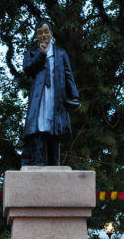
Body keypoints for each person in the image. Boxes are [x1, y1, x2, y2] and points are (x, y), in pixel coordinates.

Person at [21, 21, 80, 166]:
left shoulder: (61, 52)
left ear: (51, 33)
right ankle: (37, 162)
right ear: (36, 36)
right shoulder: (32, 52)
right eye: (40, 33)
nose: (43, 35)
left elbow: (68, 75)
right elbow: (27, 69)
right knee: (38, 128)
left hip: (55, 97)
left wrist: (74, 96)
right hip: (39, 97)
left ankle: (54, 164)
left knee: (54, 130)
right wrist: (41, 54)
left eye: (46, 32)